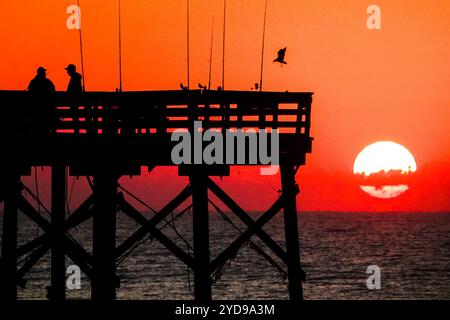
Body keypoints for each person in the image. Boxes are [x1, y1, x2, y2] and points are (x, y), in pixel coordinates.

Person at [28, 67, 56, 136]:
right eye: (44, 72)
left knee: (36, 126)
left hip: (35, 108)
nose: (45, 73)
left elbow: (30, 90)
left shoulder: (33, 82)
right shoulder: (48, 82)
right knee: (45, 126)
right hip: (46, 108)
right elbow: (53, 90)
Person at [65, 64, 83, 133]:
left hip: (74, 100)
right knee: (75, 115)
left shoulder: (74, 78)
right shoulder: (76, 77)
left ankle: (76, 130)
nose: (67, 72)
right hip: (75, 99)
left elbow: (72, 89)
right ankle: (76, 130)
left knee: (74, 115)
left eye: (68, 70)